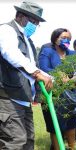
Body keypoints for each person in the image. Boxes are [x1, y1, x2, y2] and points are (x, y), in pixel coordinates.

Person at [0, 1, 53, 150]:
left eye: (37, 23)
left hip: (24, 99)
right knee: (15, 142)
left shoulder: (28, 41)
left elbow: (33, 66)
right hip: (8, 98)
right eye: (32, 21)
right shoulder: (6, 30)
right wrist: (37, 74)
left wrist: (50, 78)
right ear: (20, 16)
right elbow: (11, 53)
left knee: (29, 141)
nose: (34, 26)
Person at [38, 28, 76, 150]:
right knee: (55, 126)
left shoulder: (72, 54)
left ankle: (72, 147)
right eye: (64, 38)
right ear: (56, 39)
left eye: (69, 39)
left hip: (70, 95)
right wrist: (58, 74)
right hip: (52, 94)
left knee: (71, 124)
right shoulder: (47, 52)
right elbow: (43, 67)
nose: (67, 41)